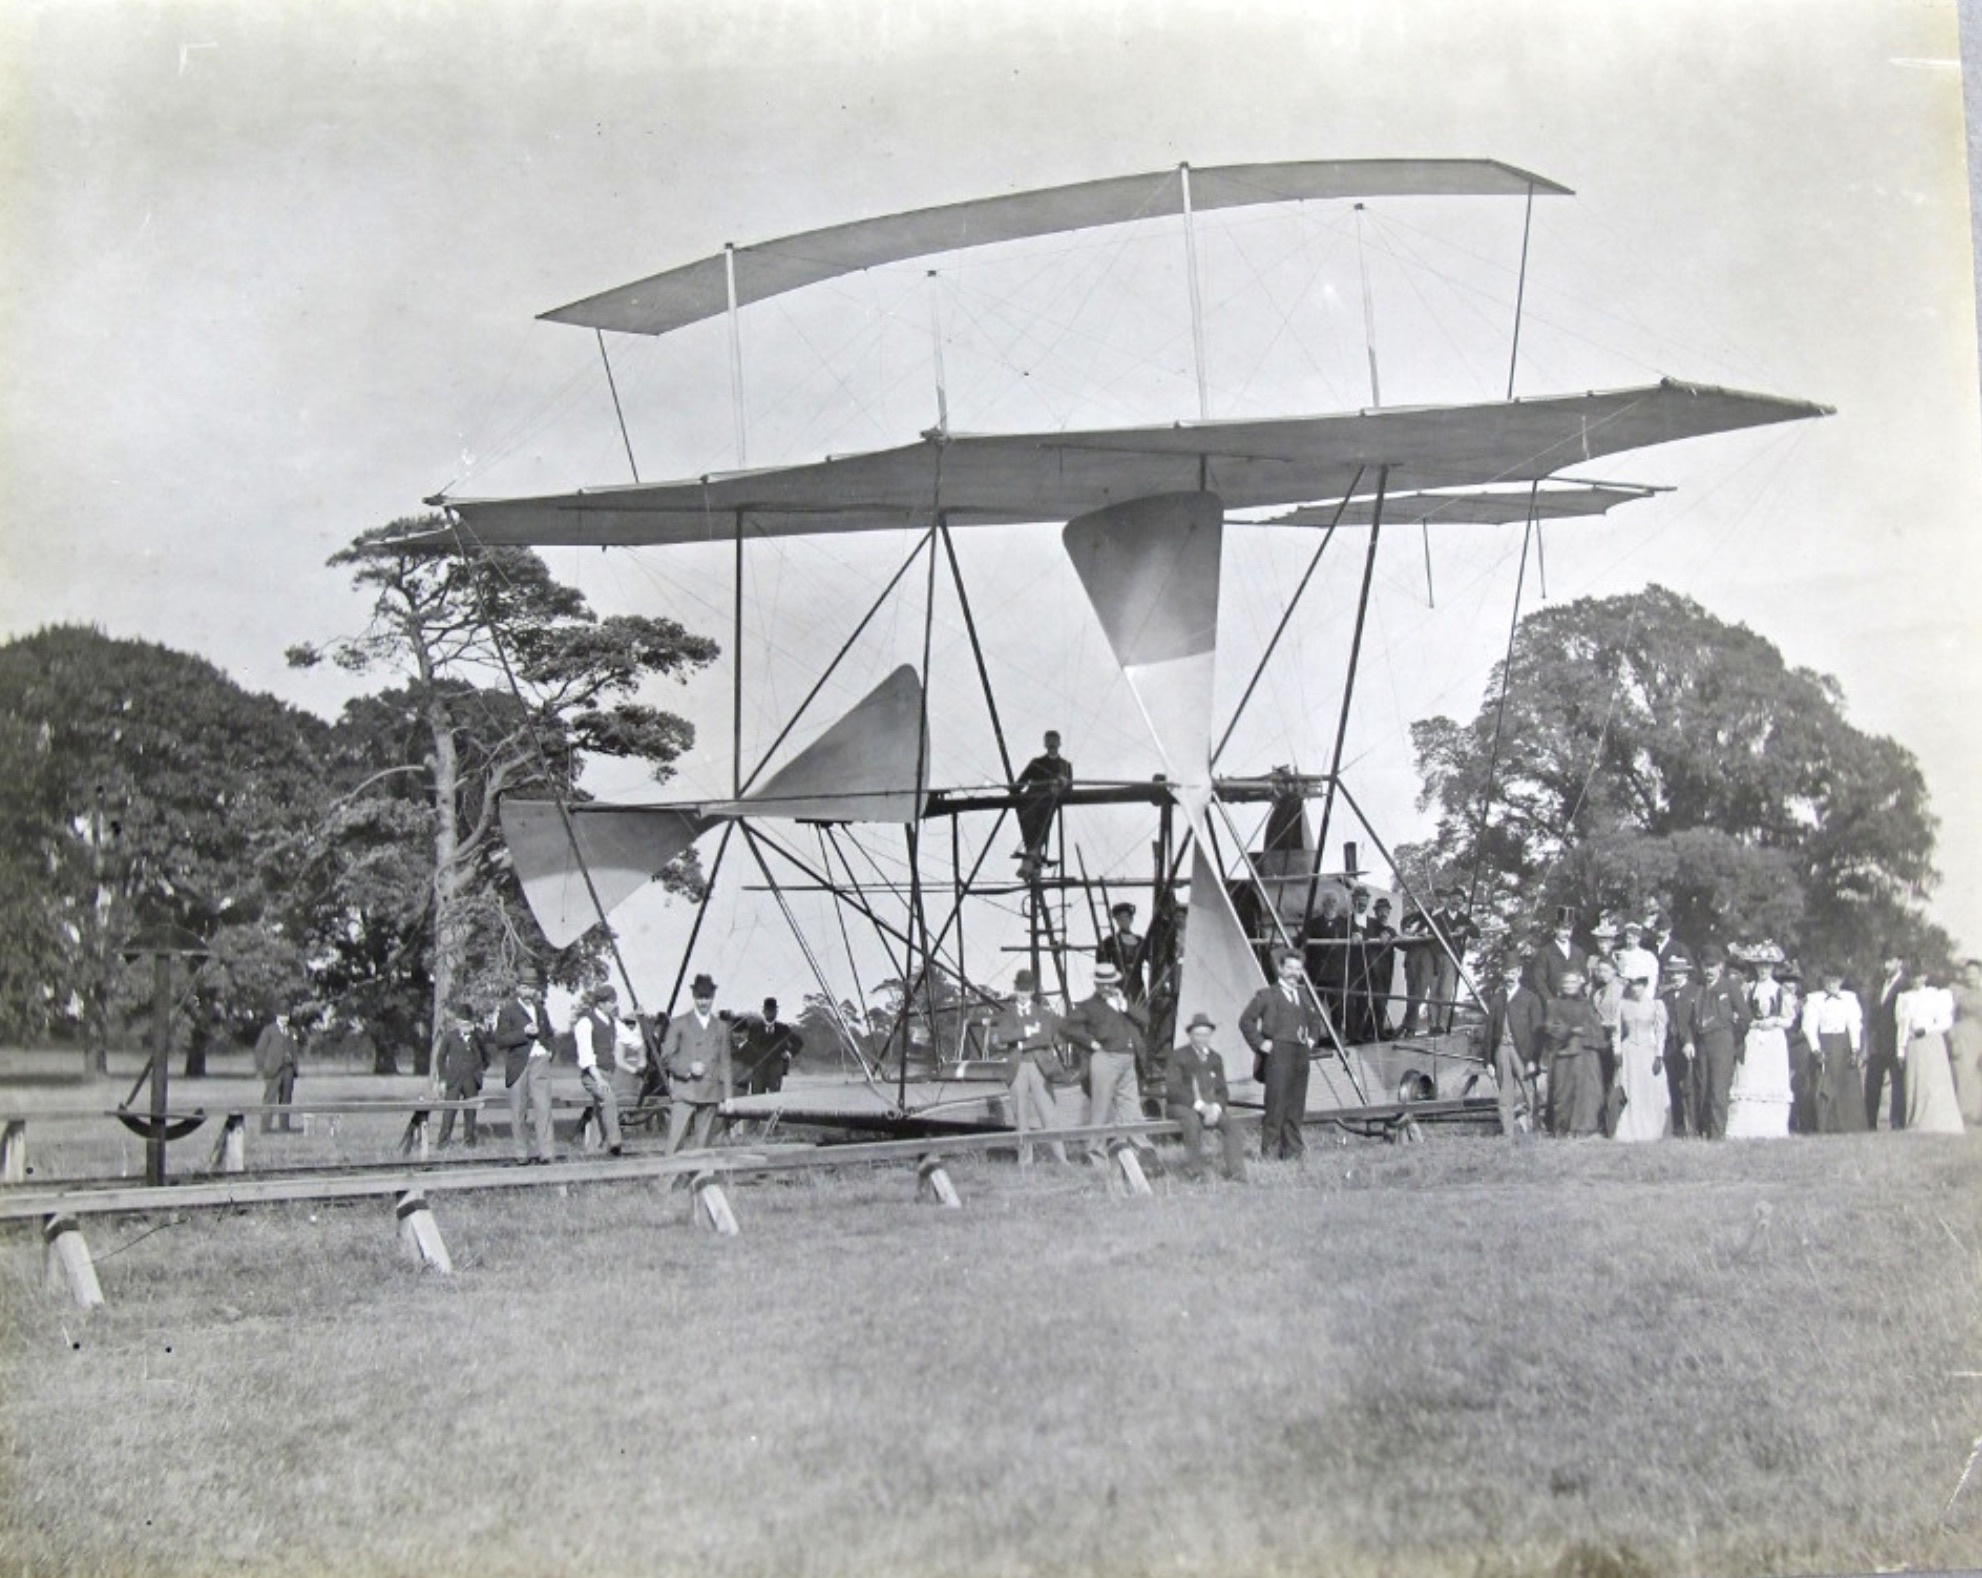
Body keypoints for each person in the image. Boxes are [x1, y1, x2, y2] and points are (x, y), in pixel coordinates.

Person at [1239, 947, 1330, 1160]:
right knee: (1276, 1105)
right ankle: (1270, 1153)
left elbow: (1315, 1020)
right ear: (1280, 969)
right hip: (1278, 1056)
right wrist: (1260, 1044)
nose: (1293, 973)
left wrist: (1311, 1040)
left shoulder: (1304, 995)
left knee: (1296, 1105)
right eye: (1289, 968)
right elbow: (1246, 1021)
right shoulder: (1267, 995)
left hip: (1301, 1056)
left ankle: (1293, 1152)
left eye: (1297, 969)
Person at [1061, 962, 1152, 1155]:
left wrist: (1125, 1006)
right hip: (1105, 1058)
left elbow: (1145, 1019)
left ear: (1115, 983)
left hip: (1128, 1059)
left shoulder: (1123, 1004)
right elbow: (1066, 1027)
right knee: (1101, 1108)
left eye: (1110, 983)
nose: (1106, 987)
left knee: (1131, 1106)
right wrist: (1090, 1043)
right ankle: (1096, 1152)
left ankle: (1141, 1149)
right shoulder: (1088, 1006)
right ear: (1096, 984)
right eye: (1102, 984)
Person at [986, 968, 1071, 1165]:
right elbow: (999, 1037)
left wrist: (1021, 1043)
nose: (1022, 994)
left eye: (1026, 990)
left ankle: (1062, 1159)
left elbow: (1048, 1037)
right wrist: (1026, 1031)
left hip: (1039, 1067)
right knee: (1020, 1116)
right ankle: (1025, 1161)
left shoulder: (1044, 1014)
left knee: (1048, 1114)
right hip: (1017, 1069)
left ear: (1032, 991)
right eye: (1020, 989)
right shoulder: (1007, 1014)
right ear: (1015, 989)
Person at [1166, 1013, 1247, 1182]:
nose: (1202, 1039)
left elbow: (1222, 1091)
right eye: (1198, 1035)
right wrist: (1200, 1107)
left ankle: (1237, 1172)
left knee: (1231, 1125)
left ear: (1210, 1035)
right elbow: (1173, 1090)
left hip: (1210, 1108)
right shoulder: (1178, 1056)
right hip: (1182, 1106)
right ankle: (1195, 1172)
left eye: (1206, 1035)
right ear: (1190, 1035)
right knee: (1192, 1121)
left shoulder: (1215, 1058)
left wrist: (1216, 1108)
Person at [1726, 944, 1793, 1138]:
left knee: (1770, 1077)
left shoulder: (1781, 990)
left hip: (1773, 1039)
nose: (1763, 970)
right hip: (1754, 1037)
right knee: (1751, 1076)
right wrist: (1753, 1022)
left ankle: (1772, 1127)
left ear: (1773, 967)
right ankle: (1748, 1126)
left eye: (1767, 966)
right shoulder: (1749, 988)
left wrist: (1774, 1021)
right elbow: (1742, 1013)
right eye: (1760, 966)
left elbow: (1789, 1020)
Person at [661, 973, 731, 1154]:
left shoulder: (721, 1027)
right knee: (674, 1144)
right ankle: (668, 1173)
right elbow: (666, 1057)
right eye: (700, 997)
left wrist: (728, 1096)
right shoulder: (679, 1023)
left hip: (710, 1093)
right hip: (685, 1091)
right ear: (694, 996)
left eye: (707, 997)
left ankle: (700, 1173)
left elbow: (725, 1062)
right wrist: (688, 1067)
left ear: (713, 997)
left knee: (703, 1149)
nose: (703, 1002)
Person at [1685, 949, 1749, 1140]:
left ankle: (1718, 1133)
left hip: (1723, 1042)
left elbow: (1745, 1016)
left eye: (1712, 966)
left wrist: (1731, 1038)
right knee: (1703, 1087)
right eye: (1706, 966)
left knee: (1718, 1089)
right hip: (1702, 1042)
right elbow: (1689, 1020)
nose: (1709, 970)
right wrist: (1689, 1041)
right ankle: (1704, 1130)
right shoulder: (1698, 988)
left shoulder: (1729, 987)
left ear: (1721, 966)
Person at [497, 965, 556, 1164]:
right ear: (517, 988)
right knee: (518, 1110)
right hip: (518, 1065)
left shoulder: (541, 1010)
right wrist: (524, 1033)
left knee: (544, 1107)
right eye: (524, 987)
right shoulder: (508, 1011)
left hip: (540, 1062)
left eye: (532, 988)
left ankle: (547, 1153)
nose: (529, 992)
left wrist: (549, 1051)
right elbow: (501, 1040)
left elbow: (549, 1034)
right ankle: (521, 1154)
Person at [1897, 970, 1964, 1134]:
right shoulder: (1904, 998)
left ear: (1925, 977)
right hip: (1913, 1043)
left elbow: (1945, 1022)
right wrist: (1900, 1049)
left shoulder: (1935, 995)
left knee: (1933, 1081)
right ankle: (1915, 1120)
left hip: (1932, 1042)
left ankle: (1937, 1121)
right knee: (1915, 1081)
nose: (1916, 980)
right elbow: (1902, 1026)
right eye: (1913, 976)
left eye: (1919, 976)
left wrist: (1927, 1029)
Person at [1801, 968, 1866, 1134]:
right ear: (1823, 981)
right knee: (1824, 1084)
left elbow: (1854, 1024)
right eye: (1828, 980)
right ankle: (1824, 1125)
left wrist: (1855, 1049)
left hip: (1844, 1045)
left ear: (1841, 981)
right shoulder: (1814, 999)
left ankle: (1849, 1125)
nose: (1832, 984)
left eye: (1835, 980)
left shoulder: (1850, 998)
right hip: (1824, 1043)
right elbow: (1809, 1027)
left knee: (1847, 1084)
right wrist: (1816, 1050)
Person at [1541, 970, 1605, 1136]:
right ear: (1561, 985)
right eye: (1566, 983)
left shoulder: (1587, 1004)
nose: (1570, 986)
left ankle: (1583, 1128)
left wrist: (1586, 1031)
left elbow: (1595, 1027)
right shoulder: (1554, 1005)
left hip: (1585, 1053)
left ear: (1579, 984)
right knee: (1563, 1091)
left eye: (1573, 982)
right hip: (1564, 1053)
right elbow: (1549, 1027)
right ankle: (1562, 1127)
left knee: (1585, 1091)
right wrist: (1570, 1030)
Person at [1611, 972, 1670, 1142]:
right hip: (1629, 1050)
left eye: (1639, 984)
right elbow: (1616, 1030)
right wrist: (1617, 1051)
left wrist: (1659, 1055)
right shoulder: (1623, 1004)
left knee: (1649, 1088)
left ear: (1645, 986)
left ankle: (1651, 1128)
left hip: (1647, 1050)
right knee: (1630, 1087)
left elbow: (1660, 1032)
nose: (1635, 988)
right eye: (1633, 984)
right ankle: (1630, 1127)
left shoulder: (1655, 1005)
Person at [1013, 730, 1072, 881]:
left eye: (1054, 741)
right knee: (1029, 821)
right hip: (1031, 800)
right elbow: (1019, 784)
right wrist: (1014, 792)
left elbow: (1069, 791)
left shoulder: (1065, 766)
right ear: (1045, 744)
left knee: (1042, 824)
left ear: (1059, 743)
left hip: (1049, 801)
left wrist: (1062, 786)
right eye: (1049, 741)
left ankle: (1031, 859)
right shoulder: (1036, 763)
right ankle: (1033, 857)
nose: (1052, 744)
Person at [574, 985, 625, 1155]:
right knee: (608, 1099)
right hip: (592, 1074)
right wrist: (599, 1079)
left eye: (614, 1001)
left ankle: (594, 1148)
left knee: (600, 1109)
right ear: (601, 1003)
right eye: (611, 1002)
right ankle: (615, 1141)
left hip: (608, 1073)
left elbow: (632, 1039)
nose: (614, 1005)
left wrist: (641, 1020)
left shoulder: (614, 1023)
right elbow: (586, 1056)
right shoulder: (586, 1023)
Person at [1425, 886, 1479, 1033]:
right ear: (1449, 900)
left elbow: (1477, 932)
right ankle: (1432, 1025)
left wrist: (1466, 929)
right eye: (1454, 898)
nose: (1457, 902)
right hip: (1436, 957)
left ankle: (1442, 1025)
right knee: (1434, 991)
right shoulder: (1438, 917)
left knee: (1446, 992)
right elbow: (1430, 935)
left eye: (1460, 900)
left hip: (1452, 958)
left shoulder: (1463, 918)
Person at [1865, 956, 1909, 1130]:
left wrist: (1902, 1044)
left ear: (1899, 962)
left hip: (1896, 1041)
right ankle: (1869, 1123)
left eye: (1889, 961)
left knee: (1898, 1084)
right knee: (1872, 1083)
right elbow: (1872, 1014)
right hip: (1878, 1043)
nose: (1885, 965)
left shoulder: (1906, 985)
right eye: (1883, 961)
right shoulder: (1878, 984)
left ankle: (1897, 1122)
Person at [434, 1005, 487, 1149]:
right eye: (463, 1024)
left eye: (468, 1024)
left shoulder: (477, 1038)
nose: (466, 1027)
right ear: (457, 1023)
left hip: (471, 1080)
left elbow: (485, 1057)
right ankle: (443, 1143)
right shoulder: (450, 1037)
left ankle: (469, 1142)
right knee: (449, 1111)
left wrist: (480, 1073)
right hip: (454, 1080)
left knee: (470, 1112)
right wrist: (443, 1079)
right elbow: (440, 1058)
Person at [1658, 957, 1699, 1137]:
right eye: (1672, 973)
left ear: (1685, 974)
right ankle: (1678, 1126)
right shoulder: (1665, 996)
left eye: (1679, 973)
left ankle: (1694, 1126)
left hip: (1690, 1045)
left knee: (1691, 1087)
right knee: (1672, 1086)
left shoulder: (1696, 992)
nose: (1675, 977)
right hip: (1670, 1046)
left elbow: (1696, 1020)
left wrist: (1690, 1041)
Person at [739, 998, 802, 1095]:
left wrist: (789, 1053)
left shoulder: (783, 1029)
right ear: (763, 1011)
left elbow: (798, 1042)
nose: (771, 1013)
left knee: (775, 1097)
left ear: (776, 1012)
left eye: (773, 1011)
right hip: (758, 1070)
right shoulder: (754, 1028)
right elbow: (746, 1045)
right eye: (768, 1010)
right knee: (757, 1098)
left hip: (775, 1070)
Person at [252, 1007, 300, 1134]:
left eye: (287, 1015)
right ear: (277, 1016)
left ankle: (284, 1127)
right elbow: (259, 1049)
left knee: (286, 1099)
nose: (285, 1018)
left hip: (288, 1069)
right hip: (273, 1070)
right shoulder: (269, 1030)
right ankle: (265, 1128)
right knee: (269, 1099)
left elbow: (295, 1050)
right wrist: (261, 1068)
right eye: (282, 1015)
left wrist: (294, 1067)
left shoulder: (292, 1031)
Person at [1528, 907, 1589, 1001]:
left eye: (1569, 929)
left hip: (1576, 1001)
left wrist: (1581, 981)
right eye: (1563, 929)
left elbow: (1585, 975)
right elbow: (1539, 981)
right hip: (1554, 1001)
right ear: (1555, 929)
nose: (1567, 933)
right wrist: (1550, 1000)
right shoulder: (1545, 952)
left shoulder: (1578, 952)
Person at [1949, 959, 1982, 1126]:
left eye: (1974, 974)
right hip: (1961, 1037)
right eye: (1968, 973)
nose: (1970, 977)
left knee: (1977, 1075)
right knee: (1961, 1074)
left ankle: (1977, 1114)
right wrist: (1953, 1040)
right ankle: (1962, 1114)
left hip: (1979, 1038)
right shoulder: (1957, 992)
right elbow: (1950, 1017)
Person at [1094, 902, 1147, 1004]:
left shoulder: (1140, 941)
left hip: (1138, 987)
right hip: (1118, 986)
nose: (1123, 921)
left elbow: (1153, 959)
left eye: (1125, 917)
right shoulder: (1110, 942)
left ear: (1131, 919)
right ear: (1116, 921)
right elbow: (1102, 964)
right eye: (1119, 918)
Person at [1361, 896, 1399, 1039]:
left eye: (1385, 910)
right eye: (1380, 911)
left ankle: (1374, 1030)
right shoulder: (1371, 925)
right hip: (1372, 967)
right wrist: (1381, 934)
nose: (1383, 913)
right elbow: (1367, 933)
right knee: (1375, 1000)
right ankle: (1372, 1031)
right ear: (1376, 912)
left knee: (1383, 998)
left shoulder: (1391, 930)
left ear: (1389, 911)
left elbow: (1396, 938)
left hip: (1386, 968)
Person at [1398, 906, 1437, 1036]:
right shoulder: (1410, 919)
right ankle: (1410, 1027)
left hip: (1428, 953)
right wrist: (1412, 932)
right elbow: (1405, 930)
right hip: (1413, 952)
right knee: (1412, 990)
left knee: (1421, 990)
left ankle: (1408, 1024)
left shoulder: (1437, 917)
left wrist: (1427, 933)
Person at [1613, 919, 1661, 998]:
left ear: (1639, 938)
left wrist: (1647, 996)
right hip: (1623, 994)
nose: (1631, 941)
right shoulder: (1618, 954)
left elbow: (1652, 978)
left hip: (1642, 994)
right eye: (1629, 938)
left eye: (1635, 938)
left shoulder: (1648, 956)